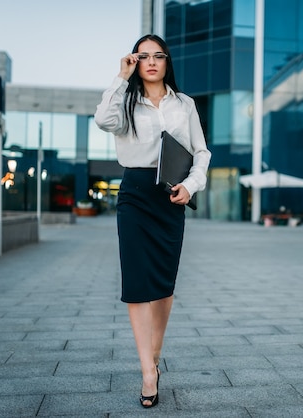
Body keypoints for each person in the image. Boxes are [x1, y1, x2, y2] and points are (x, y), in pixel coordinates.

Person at [94, 34, 211, 408]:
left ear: (167, 62)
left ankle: (154, 357)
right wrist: (120, 78)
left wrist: (191, 187)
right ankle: (148, 371)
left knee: (163, 284)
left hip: (170, 195)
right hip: (134, 194)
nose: (151, 62)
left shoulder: (185, 104)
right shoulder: (125, 102)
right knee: (137, 282)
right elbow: (102, 119)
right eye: (143, 56)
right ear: (135, 61)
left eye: (158, 55)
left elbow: (201, 152)